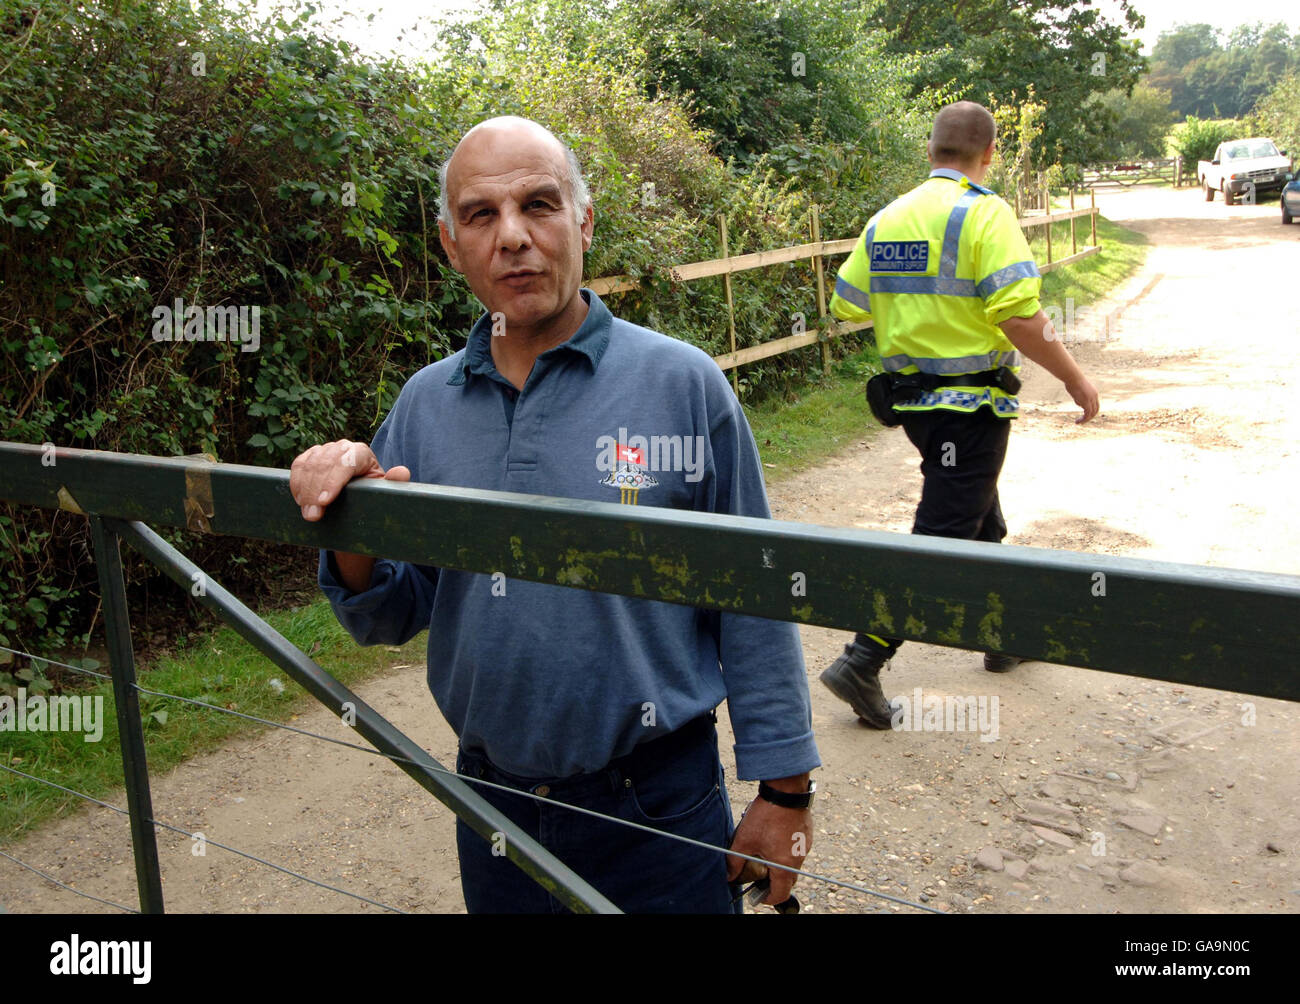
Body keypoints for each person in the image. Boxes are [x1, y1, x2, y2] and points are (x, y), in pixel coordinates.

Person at [289, 116, 820, 913]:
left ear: (584, 220)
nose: (513, 237)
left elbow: (755, 596)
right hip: (491, 810)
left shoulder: (683, 385)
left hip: (659, 808)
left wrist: (785, 793)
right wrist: (349, 513)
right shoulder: (426, 405)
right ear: (449, 244)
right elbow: (388, 616)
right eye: (480, 215)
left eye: (539, 204)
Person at [821, 100, 1100, 729]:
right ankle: (862, 659)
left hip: (917, 405)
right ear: (989, 154)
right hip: (972, 405)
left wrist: (915, 315)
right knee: (944, 533)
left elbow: (846, 302)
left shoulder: (890, 217)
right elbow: (1019, 317)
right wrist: (1074, 377)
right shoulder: (986, 213)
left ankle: (1002, 635)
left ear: (930, 151)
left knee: (980, 514)